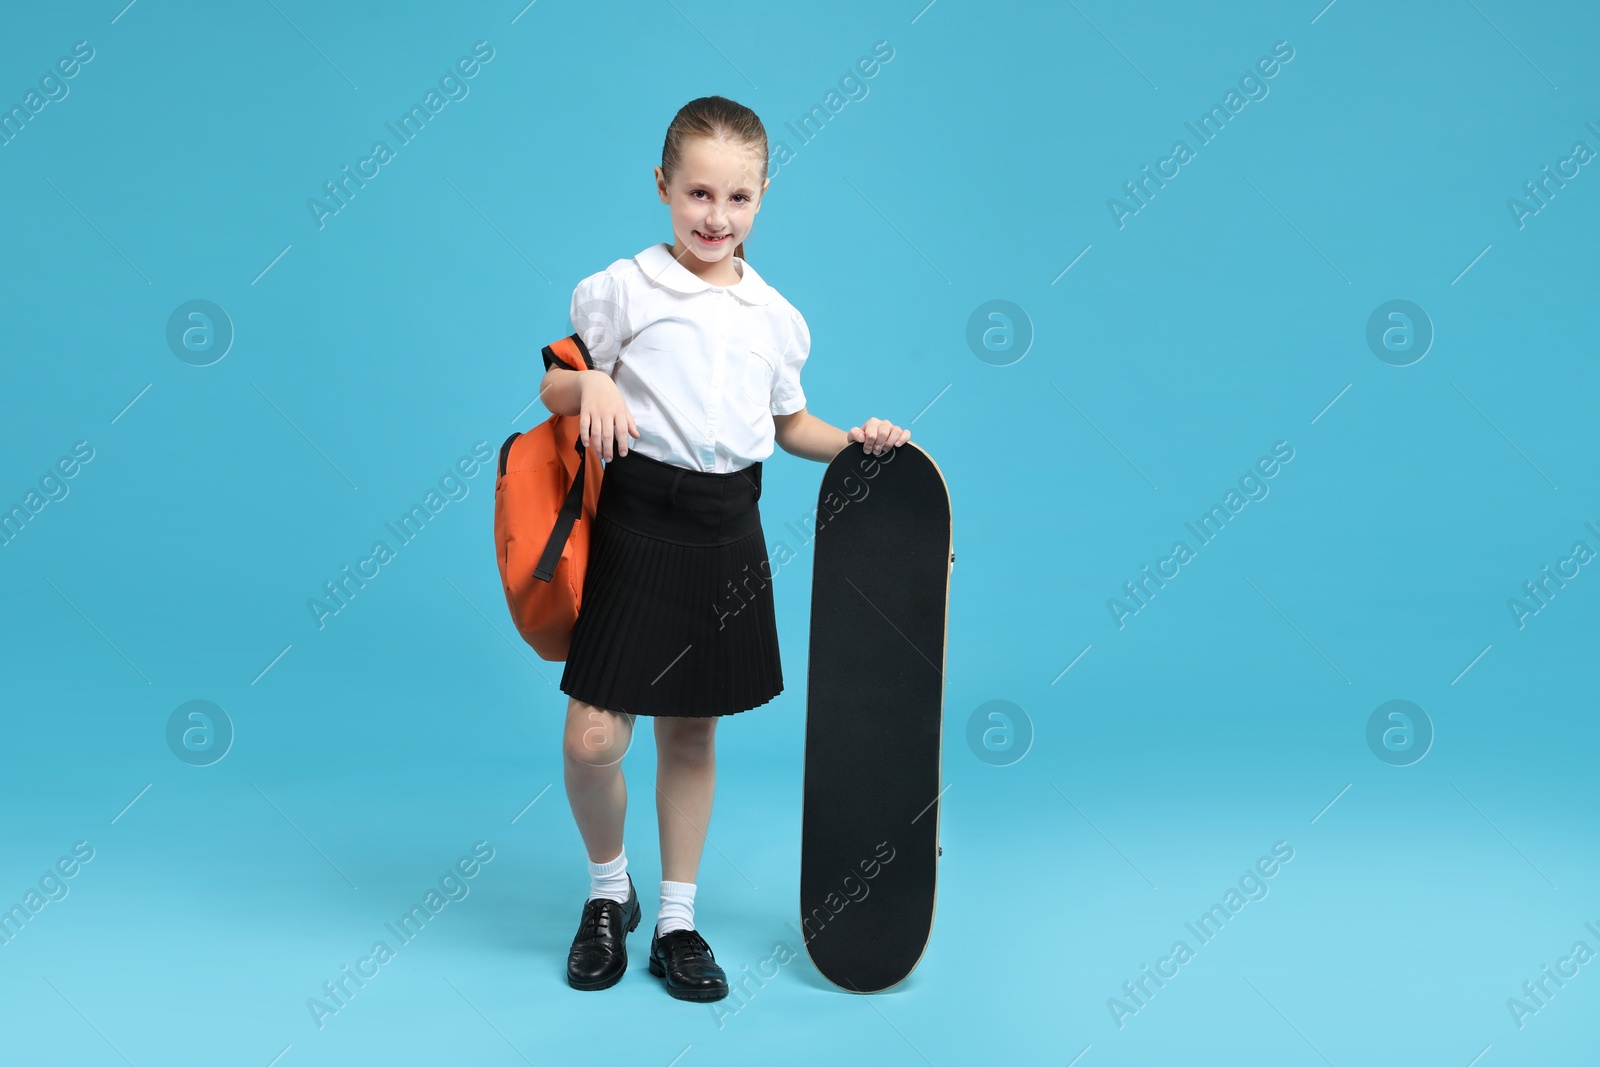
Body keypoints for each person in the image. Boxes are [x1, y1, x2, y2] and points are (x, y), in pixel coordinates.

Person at [536, 95, 910, 1001]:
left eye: (738, 198)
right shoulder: (624, 288)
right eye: (699, 193)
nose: (716, 216)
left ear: (764, 196)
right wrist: (587, 393)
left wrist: (859, 441)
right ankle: (605, 890)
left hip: (725, 532)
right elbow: (556, 378)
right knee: (593, 738)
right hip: (634, 523)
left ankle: (675, 920)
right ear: (663, 186)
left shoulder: (774, 317)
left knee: (691, 732)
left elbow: (789, 427)